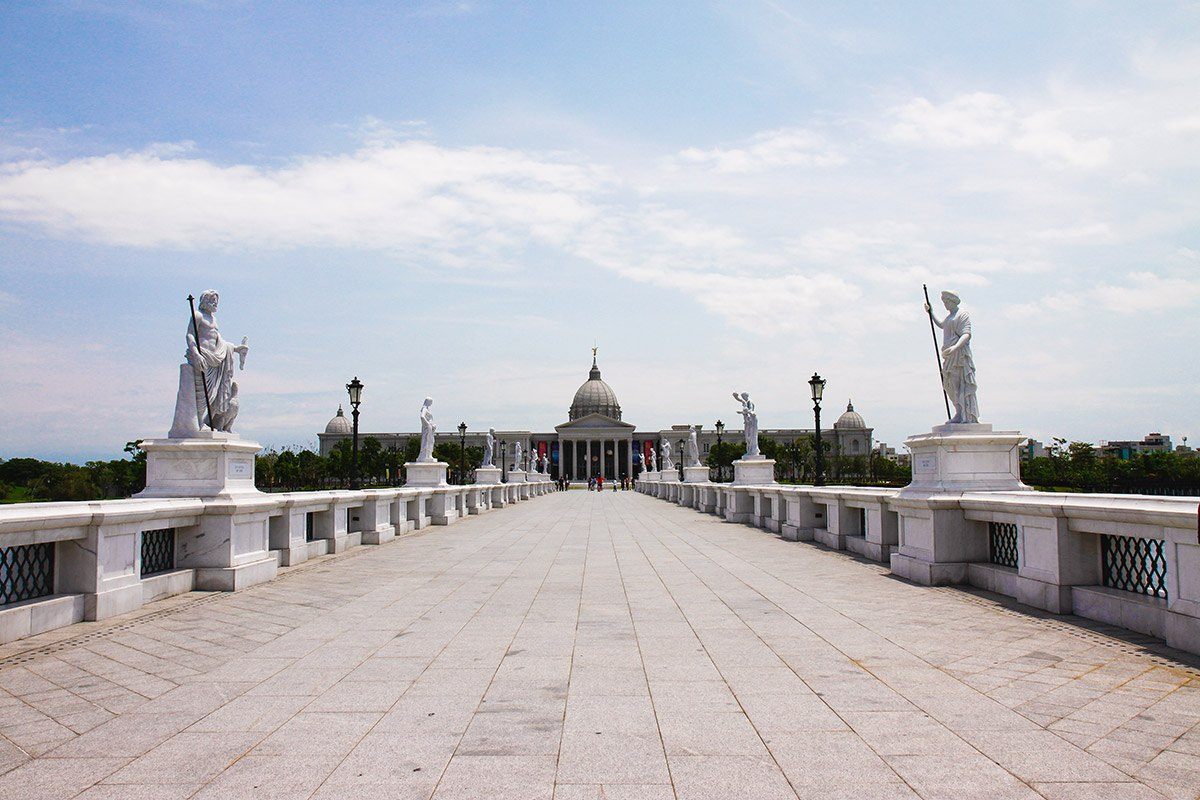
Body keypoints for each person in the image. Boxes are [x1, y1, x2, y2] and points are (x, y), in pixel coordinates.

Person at [925, 290, 979, 423]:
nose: (945, 304)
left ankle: (966, 414)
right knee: (949, 384)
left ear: (953, 301)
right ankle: (959, 412)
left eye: (946, 301)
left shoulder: (962, 315)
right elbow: (941, 325)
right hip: (949, 357)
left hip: (960, 356)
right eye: (943, 302)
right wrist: (930, 313)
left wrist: (955, 347)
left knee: (962, 384)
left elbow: (966, 334)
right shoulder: (949, 317)